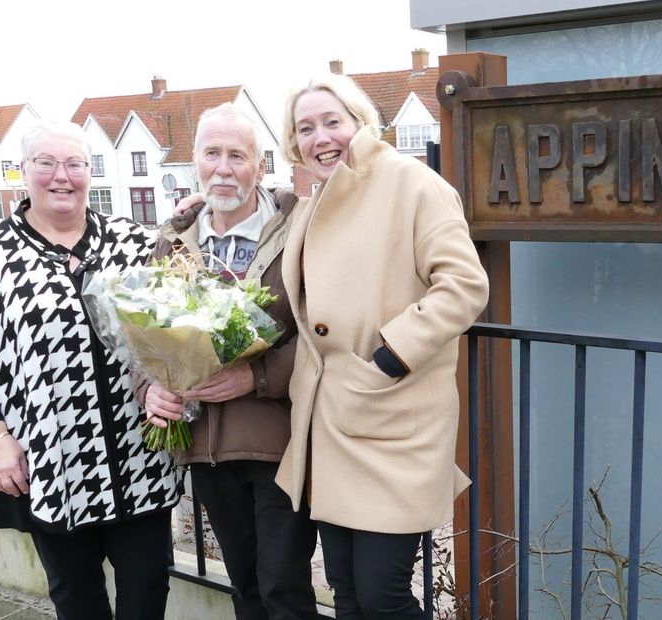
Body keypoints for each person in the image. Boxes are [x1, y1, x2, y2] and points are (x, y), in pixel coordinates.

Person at [0, 121, 180, 619]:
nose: (61, 176)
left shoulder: (132, 242)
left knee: (148, 590)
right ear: (24, 172)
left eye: (74, 164)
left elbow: (176, 323)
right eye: (46, 163)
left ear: (89, 173)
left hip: (139, 459)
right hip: (52, 462)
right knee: (76, 596)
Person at [275, 74, 489, 619]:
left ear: (359, 121)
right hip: (329, 424)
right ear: (292, 141)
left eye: (332, 121)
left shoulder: (411, 183)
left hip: (392, 419)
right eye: (306, 128)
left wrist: (390, 357)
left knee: (382, 595)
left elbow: (465, 286)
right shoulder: (314, 198)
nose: (321, 137)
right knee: (346, 593)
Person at [141, 102, 318, 620]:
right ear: (194, 162)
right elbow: (147, 336)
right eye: (212, 153)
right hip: (206, 449)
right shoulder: (175, 240)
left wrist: (257, 375)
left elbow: (323, 332)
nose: (223, 167)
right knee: (244, 587)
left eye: (237, 156)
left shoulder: (299, 231)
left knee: (284, 588)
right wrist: (148, 390)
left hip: (277, 442)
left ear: (259, 167)